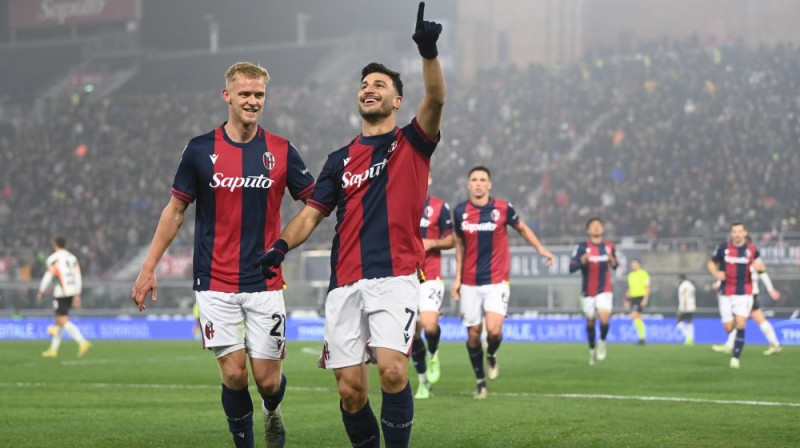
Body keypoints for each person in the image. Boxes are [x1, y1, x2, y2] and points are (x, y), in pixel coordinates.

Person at [255, 4, 444, 447]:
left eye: (379, 84)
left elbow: (435, 99)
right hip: (344, 283)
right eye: (364, 85)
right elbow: (310, 214)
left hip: (396, 275)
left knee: (395, 371)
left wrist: (429, 54)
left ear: (397, 100)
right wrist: (281, 246)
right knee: (351, 390)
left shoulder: (412, 142)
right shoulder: (339, 160)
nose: (368, 89)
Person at [131, 61, 316, 448]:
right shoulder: (200, 150)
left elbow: (315, 205)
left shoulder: (281, 151)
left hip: (265, 282)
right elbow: (175, 211)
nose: (252, 101)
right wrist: (149, 267)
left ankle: (272, 410)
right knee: (234, 376)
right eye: (245, 94)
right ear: (227, 95)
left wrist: (283, 244)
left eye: (259, 95)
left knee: (267, 381)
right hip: (214, 281)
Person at [451, 165, 555, 399]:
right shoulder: (459, 212)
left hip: (497, 280)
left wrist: (541, 249)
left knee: (494, 331)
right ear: (469, 184)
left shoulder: (503, 208)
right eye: (474, 179)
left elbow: (523, 229)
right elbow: (459, 245)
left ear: (489, 184)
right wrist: (457, 278)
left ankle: (492, 354)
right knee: (474, 335)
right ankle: (480, 381)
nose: (478, 183)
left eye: (483, 179)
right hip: (469, 281)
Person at [411, 175, 454, 399]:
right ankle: (423, 381)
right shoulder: (398, 204)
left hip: (430, 276)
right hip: (404, 277)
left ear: (428, 179)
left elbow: (452, 240)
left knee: (428, 325)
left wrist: (433, 243)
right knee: (412, 334)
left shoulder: (439, 207)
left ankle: (434, 352)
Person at [707, 222, 765, 369]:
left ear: (745, 233)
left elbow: (761, 267)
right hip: (725, 292)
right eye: (734, 231)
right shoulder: (723, 248)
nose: (737, 234)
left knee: (740, 323)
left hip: (744, 292)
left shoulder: (752, 250)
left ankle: (735, 358)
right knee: (728, 328)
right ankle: (733, 323)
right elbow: (711, 263)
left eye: (739, 231)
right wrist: (715, 273)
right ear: (731, 233)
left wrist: (760, 269)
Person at [570, 217, 618, 366]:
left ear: (603, 229)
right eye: (593, 226)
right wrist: (581, 261)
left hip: (604, 289)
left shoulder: (609, 246)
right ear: (588, 230)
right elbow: (571, 268)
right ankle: (592, 350)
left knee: (604, 318)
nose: (596, 228)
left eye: (599, 225)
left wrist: (612, 262)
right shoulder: (581, 247)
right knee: (590, 322)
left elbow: (616, 265)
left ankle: (602, 342)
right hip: (588, 291)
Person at [37, 236, 90, 358]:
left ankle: (82, 342)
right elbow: (77, 276)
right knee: (59, 319)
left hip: (61, 292)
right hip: (72, 291)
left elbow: (49, 275)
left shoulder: (53, 258)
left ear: (55, 245)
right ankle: (53, 349)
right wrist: (77, 293)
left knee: (62, 321)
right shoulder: (72, 258)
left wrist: (41, 290)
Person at [712, 264, 782, 355]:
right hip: (748, 295)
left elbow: (759, 273)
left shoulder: (748, 259)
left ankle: (729, 346)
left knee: (739, 320)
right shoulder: (747, 259)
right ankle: (775, 345)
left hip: (747, 295)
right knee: (759, 320)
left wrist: (771, 289)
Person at [625, 259, 650, 345]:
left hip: (640, 297)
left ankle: (642, 337)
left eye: (634, 264)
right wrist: (627, 299)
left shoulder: (643, 274)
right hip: (633, 297)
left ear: (638, 264)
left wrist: (645, 299)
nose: (633, 265)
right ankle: (642, 338)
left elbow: (647, 287)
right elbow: (629, 288)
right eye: (632, 264)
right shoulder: (630, 275)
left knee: (634, 315)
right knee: (637, 317)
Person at [676, 274, 696, 345]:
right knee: (689, 322)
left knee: (679, 322)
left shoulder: (683, 286)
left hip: (686, 306)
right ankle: (691, 337)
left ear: (681, 279)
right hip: (692, 306)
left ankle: (689, 336)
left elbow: (685, 295)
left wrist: (683, 306)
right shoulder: (690, 285)